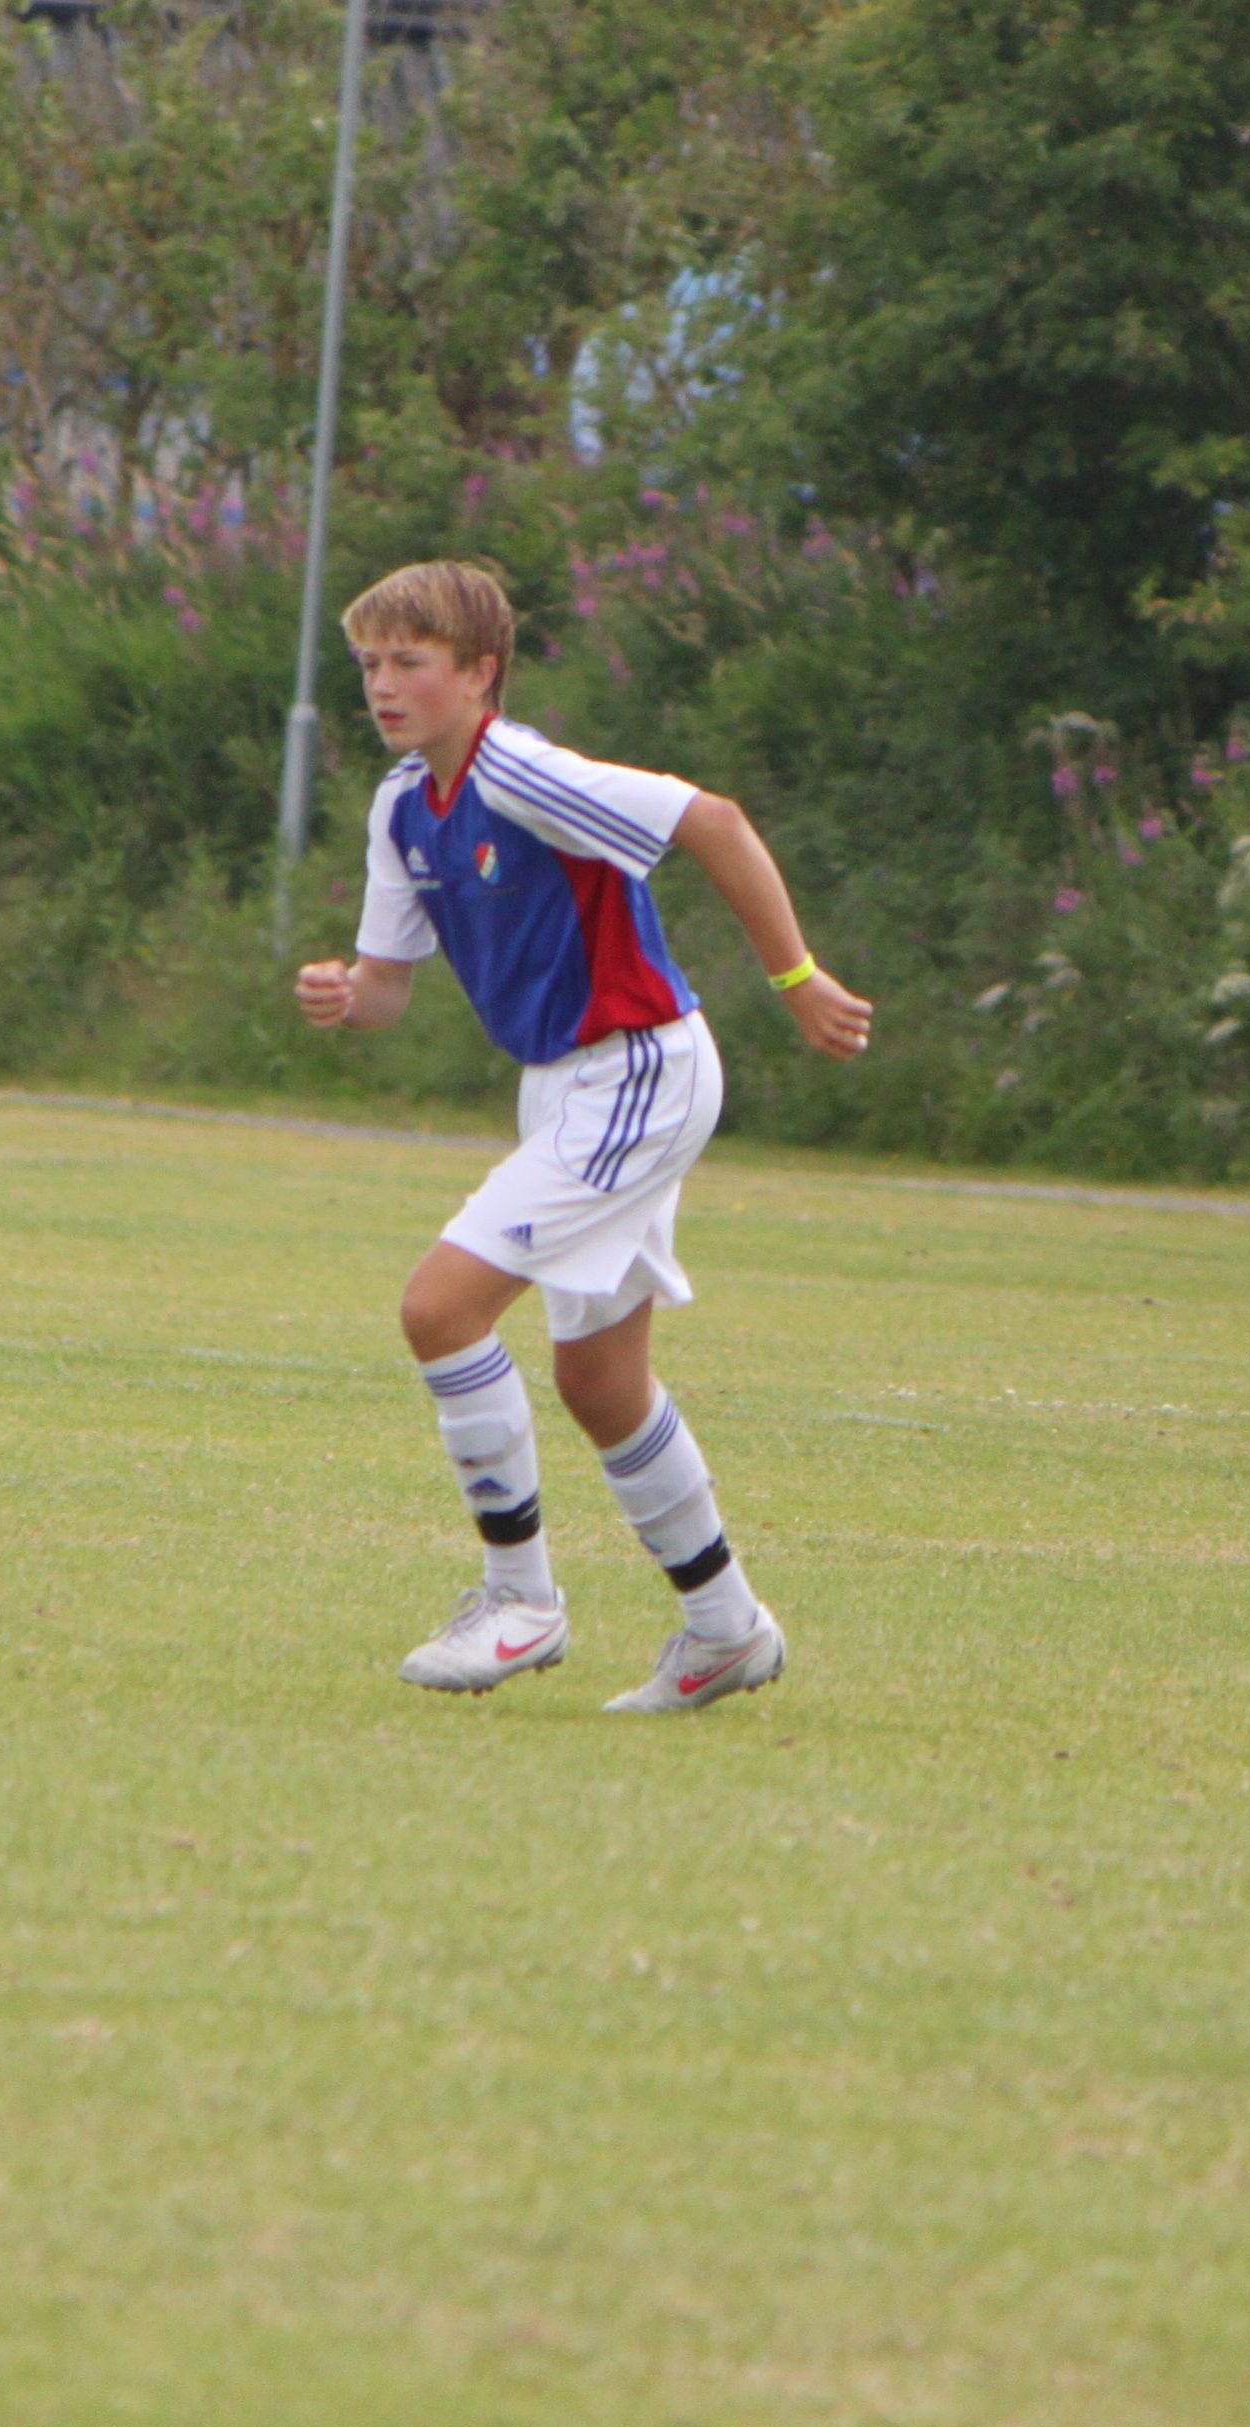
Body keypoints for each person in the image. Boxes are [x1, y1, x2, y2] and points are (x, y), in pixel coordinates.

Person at [290, 559, 874, 1713]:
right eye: (368, 664)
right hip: (565, 1088)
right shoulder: (402, 806)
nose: (384, 686)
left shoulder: (520, 770)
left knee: (438, 1309)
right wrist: (344, 997)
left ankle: (520, 1603)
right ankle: (727, 1629)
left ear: (480, 673)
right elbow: (388, 990)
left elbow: (712, 820)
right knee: (602, 1380)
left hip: (639, 1071)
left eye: (411, 661)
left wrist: (797, 978)